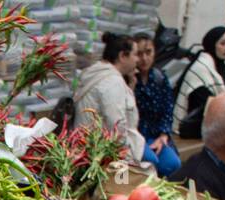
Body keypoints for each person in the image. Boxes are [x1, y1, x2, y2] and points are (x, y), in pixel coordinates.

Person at [74, 33, 147, 167]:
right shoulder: (112, 82)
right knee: (154, 164)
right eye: (135, 54)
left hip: (87, 149)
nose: (137, 59)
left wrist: (130, 86)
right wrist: (127, 161)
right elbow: (117, 125)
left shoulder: (95, 73)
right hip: (102, 156)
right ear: (122, 56)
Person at [173, 26, 225, 139]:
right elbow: (207, 103)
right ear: (212, 44)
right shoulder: (200, 68)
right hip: (196, 125)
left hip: (214, 122)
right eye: (223, 43)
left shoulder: (223, 67)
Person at [133, 33, 181, 176]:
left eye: (148, 52)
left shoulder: (160, 78)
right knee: (150, 161)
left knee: (173, 164)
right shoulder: (128, 80)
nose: (144, 59)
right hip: (137, 137)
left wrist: (163, 135)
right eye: (139, 54)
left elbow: (168, 109)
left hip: (155, 134)